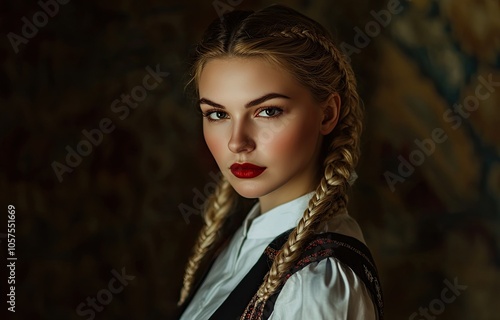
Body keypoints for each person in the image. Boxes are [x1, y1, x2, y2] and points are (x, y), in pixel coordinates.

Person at [176, 4, 384, 320]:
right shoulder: (243, 237)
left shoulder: (313, 287)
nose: (237, 142)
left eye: (268, 111)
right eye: (218, 114)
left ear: (327, 114)